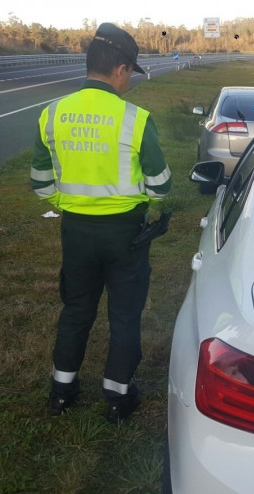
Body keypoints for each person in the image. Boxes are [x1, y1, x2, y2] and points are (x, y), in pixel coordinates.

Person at [30, 23, 171, 421]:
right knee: (124, 316)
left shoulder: (52, 114)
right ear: (122, 69)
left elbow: (40, 183)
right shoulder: (136, 119)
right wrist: (138, 198)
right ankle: (118, 397)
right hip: (126, 233)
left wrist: (69, 203)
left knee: (76, 310)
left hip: (75, 231)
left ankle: (61, 390)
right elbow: (160, 187)